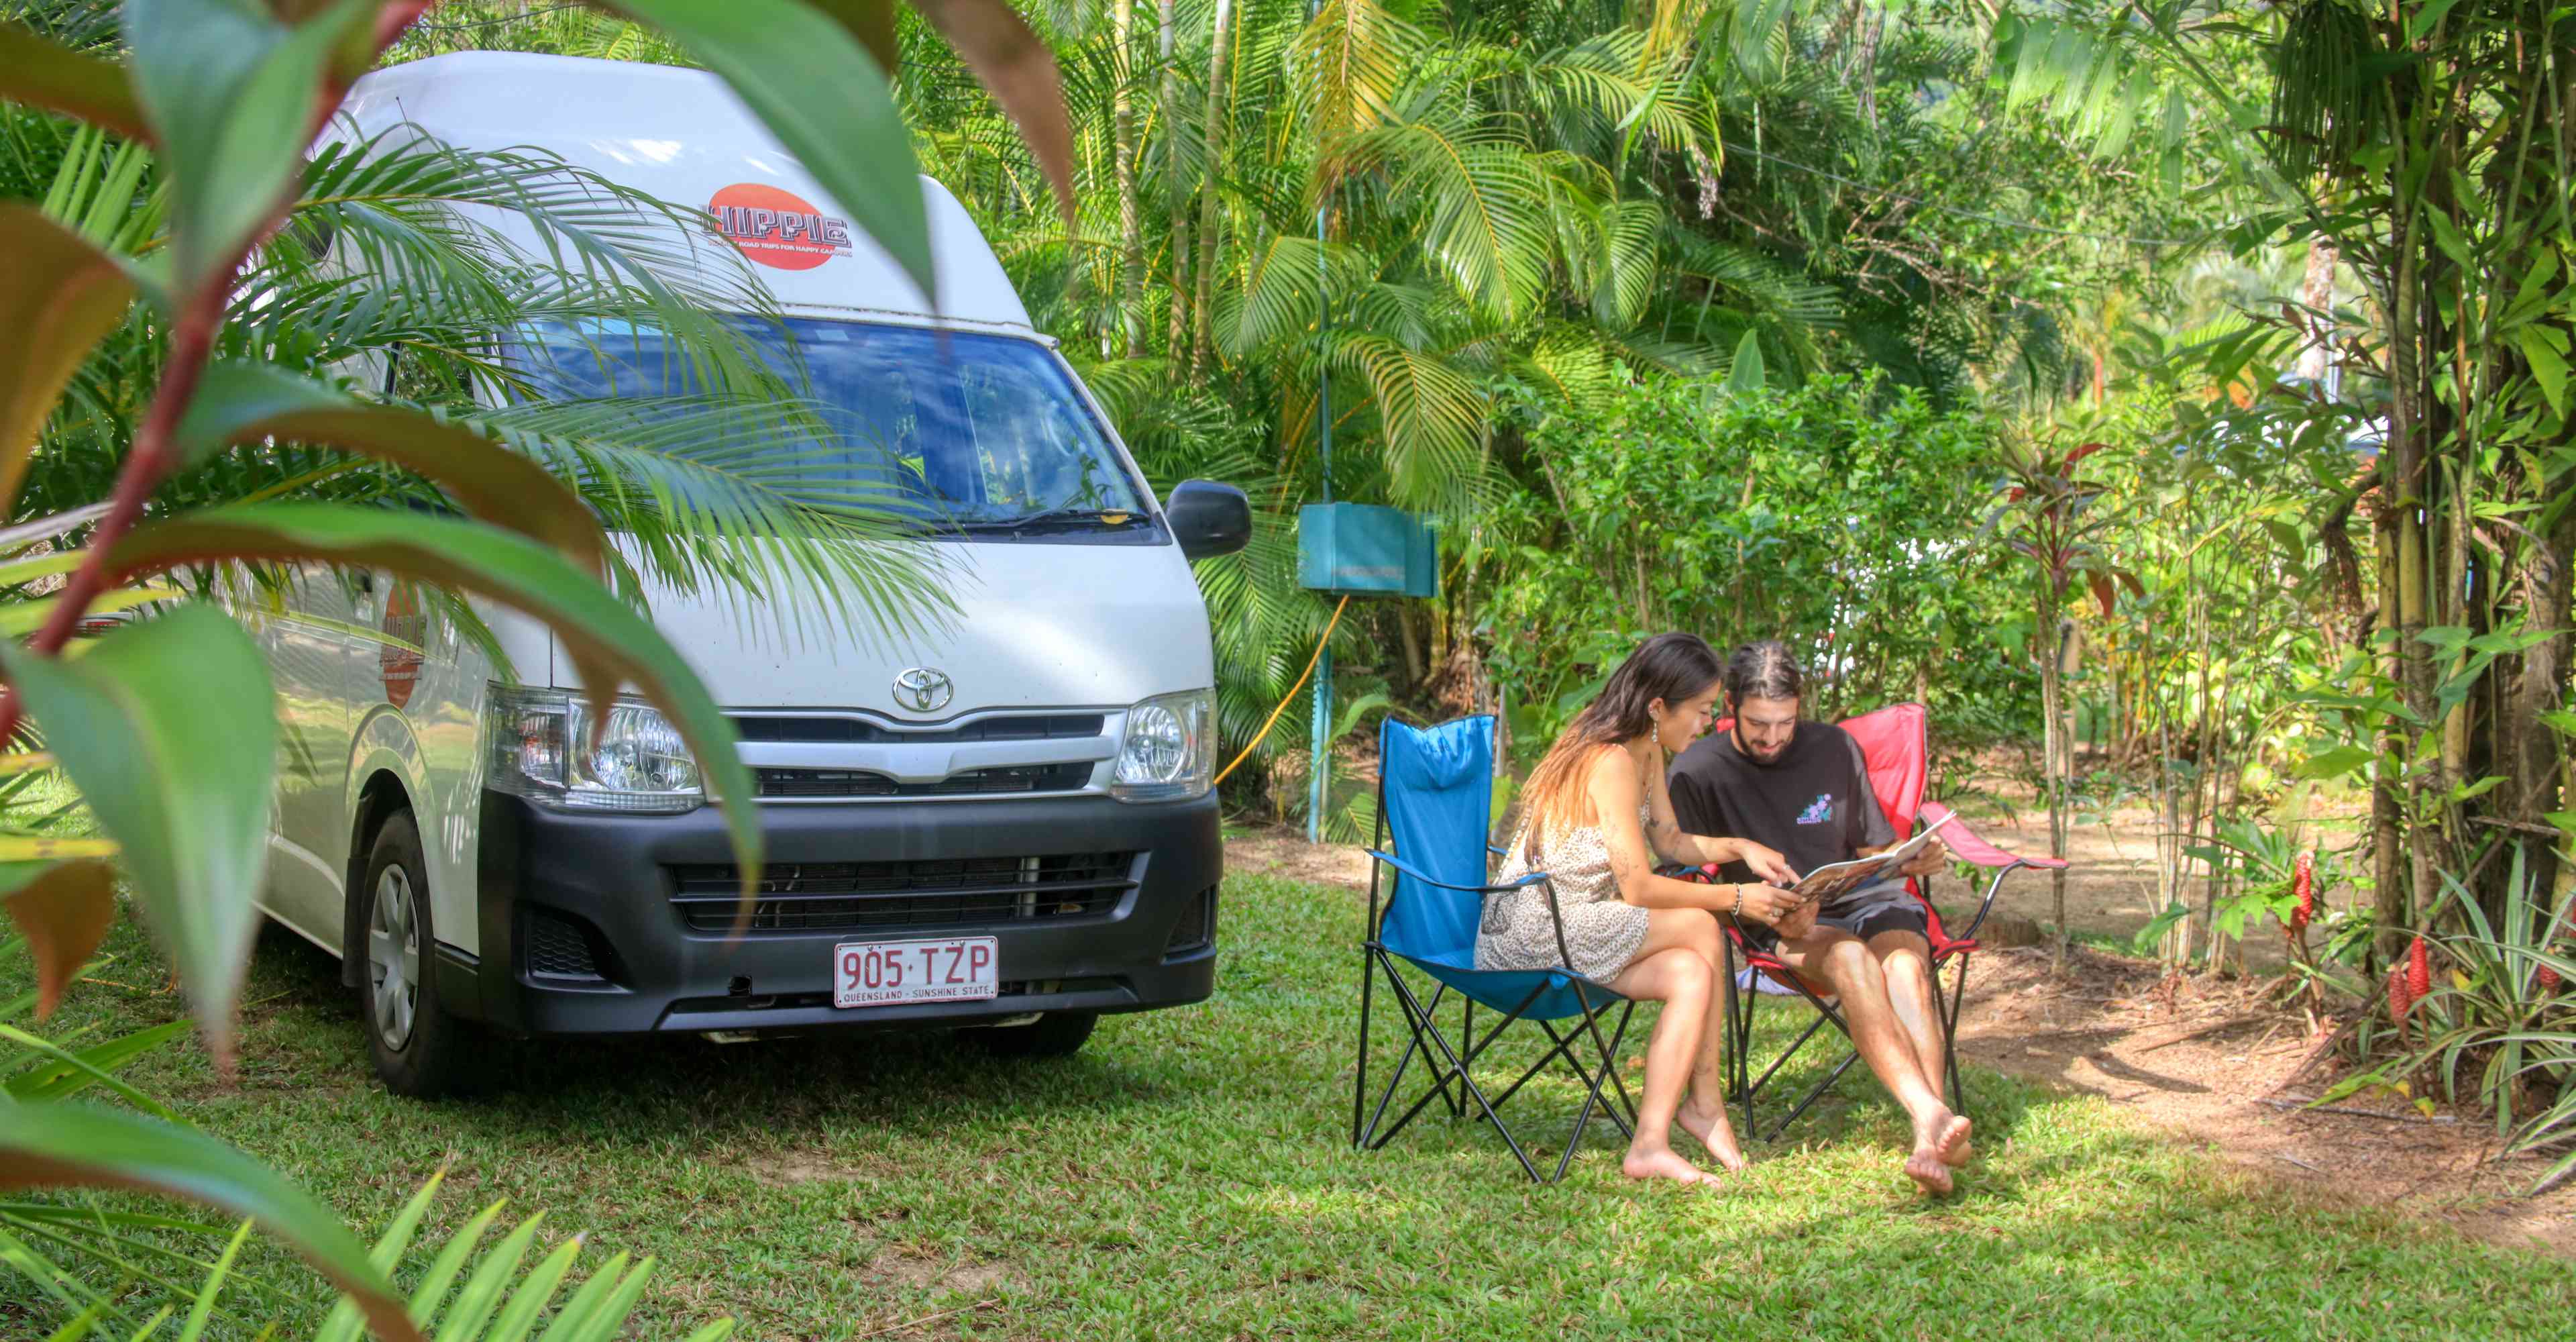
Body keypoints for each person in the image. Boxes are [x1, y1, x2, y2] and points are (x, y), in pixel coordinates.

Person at [1476, 633, 1804, 1186]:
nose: (1705, 725)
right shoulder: (1609, 760)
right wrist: (1738, 896)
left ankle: (1650, 1143)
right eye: (1701, 711)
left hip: (1584, 920)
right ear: (1658, 707)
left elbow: (1671, 840)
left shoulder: (1645, 747)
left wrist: (1740, 848)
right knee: (1705, 925)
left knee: (1692, 971)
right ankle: (1705, 1104)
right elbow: (1639, 888)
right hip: (1535, 927)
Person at [1665, 639, 1972, 1194]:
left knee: (1904, 967)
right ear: (1731, 706)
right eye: (1759, 723)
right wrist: (1759, 905)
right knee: (1853, 959)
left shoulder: (1835, 747)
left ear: (1800, 707)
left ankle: (1930, 1135)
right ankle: (1933, 1115)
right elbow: (1679, 867)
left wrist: (1915, 857)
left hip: (1869, 898)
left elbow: (1873, 849)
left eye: (1786, 722)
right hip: (1779, 920)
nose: (1773, 737)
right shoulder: (1697, 771)